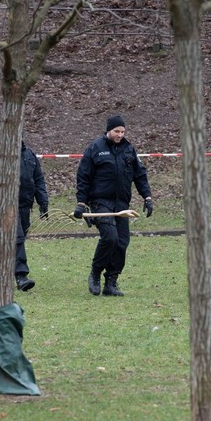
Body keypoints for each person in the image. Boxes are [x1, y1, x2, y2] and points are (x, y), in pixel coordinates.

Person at [74, 114, 153, 297]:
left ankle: (111, 282)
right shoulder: (95, 148)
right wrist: (81, 203)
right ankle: (95, 273)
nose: (120, 135)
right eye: (117, 131)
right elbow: (84, 177)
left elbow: (139, 175)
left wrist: (147, 197)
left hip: (121, 204)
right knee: (110, 237)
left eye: (123, 131)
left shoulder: (129, 150)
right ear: (109, 130)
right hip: (100, 202)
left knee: (122, 242)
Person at [0, 139, 49, 292]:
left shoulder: (29, 154)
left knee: (17, 239)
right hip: (7, 205)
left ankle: (3, 271)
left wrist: (43, 201)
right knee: (16, 238)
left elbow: (38, 179)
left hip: (25, 204)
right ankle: (21, 275)